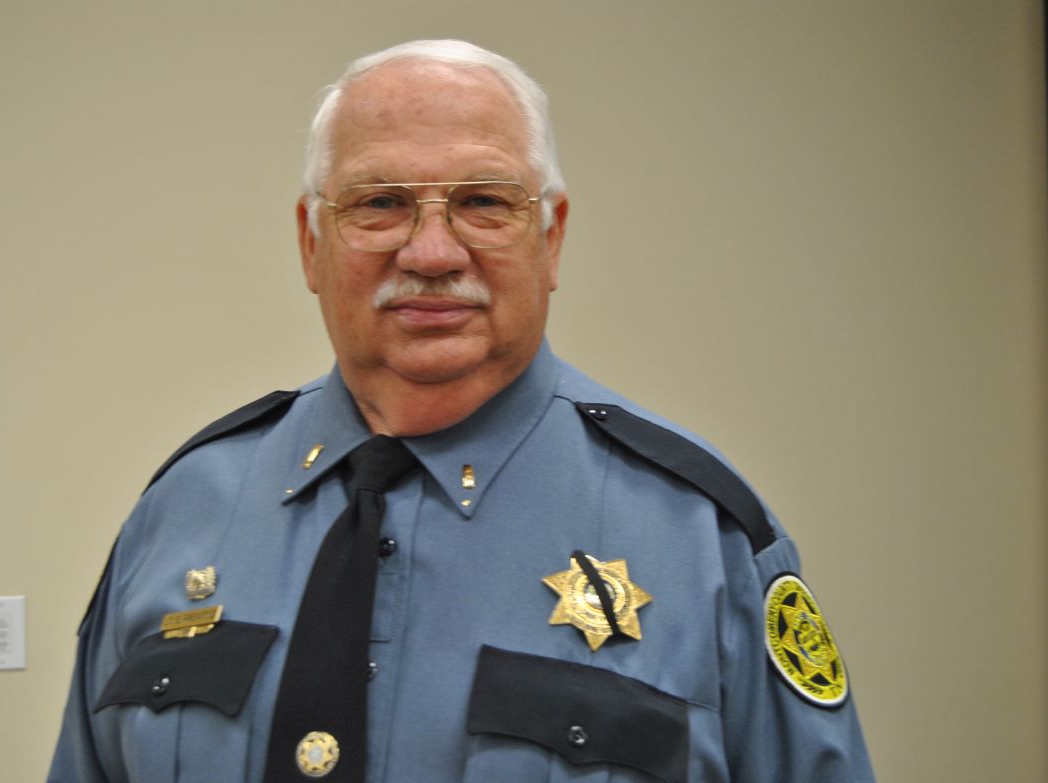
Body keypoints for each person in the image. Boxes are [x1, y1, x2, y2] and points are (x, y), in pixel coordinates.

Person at [48, 39, 874, 782]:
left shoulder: (701, 535)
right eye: (379, 203)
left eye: (484, 201)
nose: (433, 252)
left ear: (550, 238)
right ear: (310, 242)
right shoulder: (182, 508)